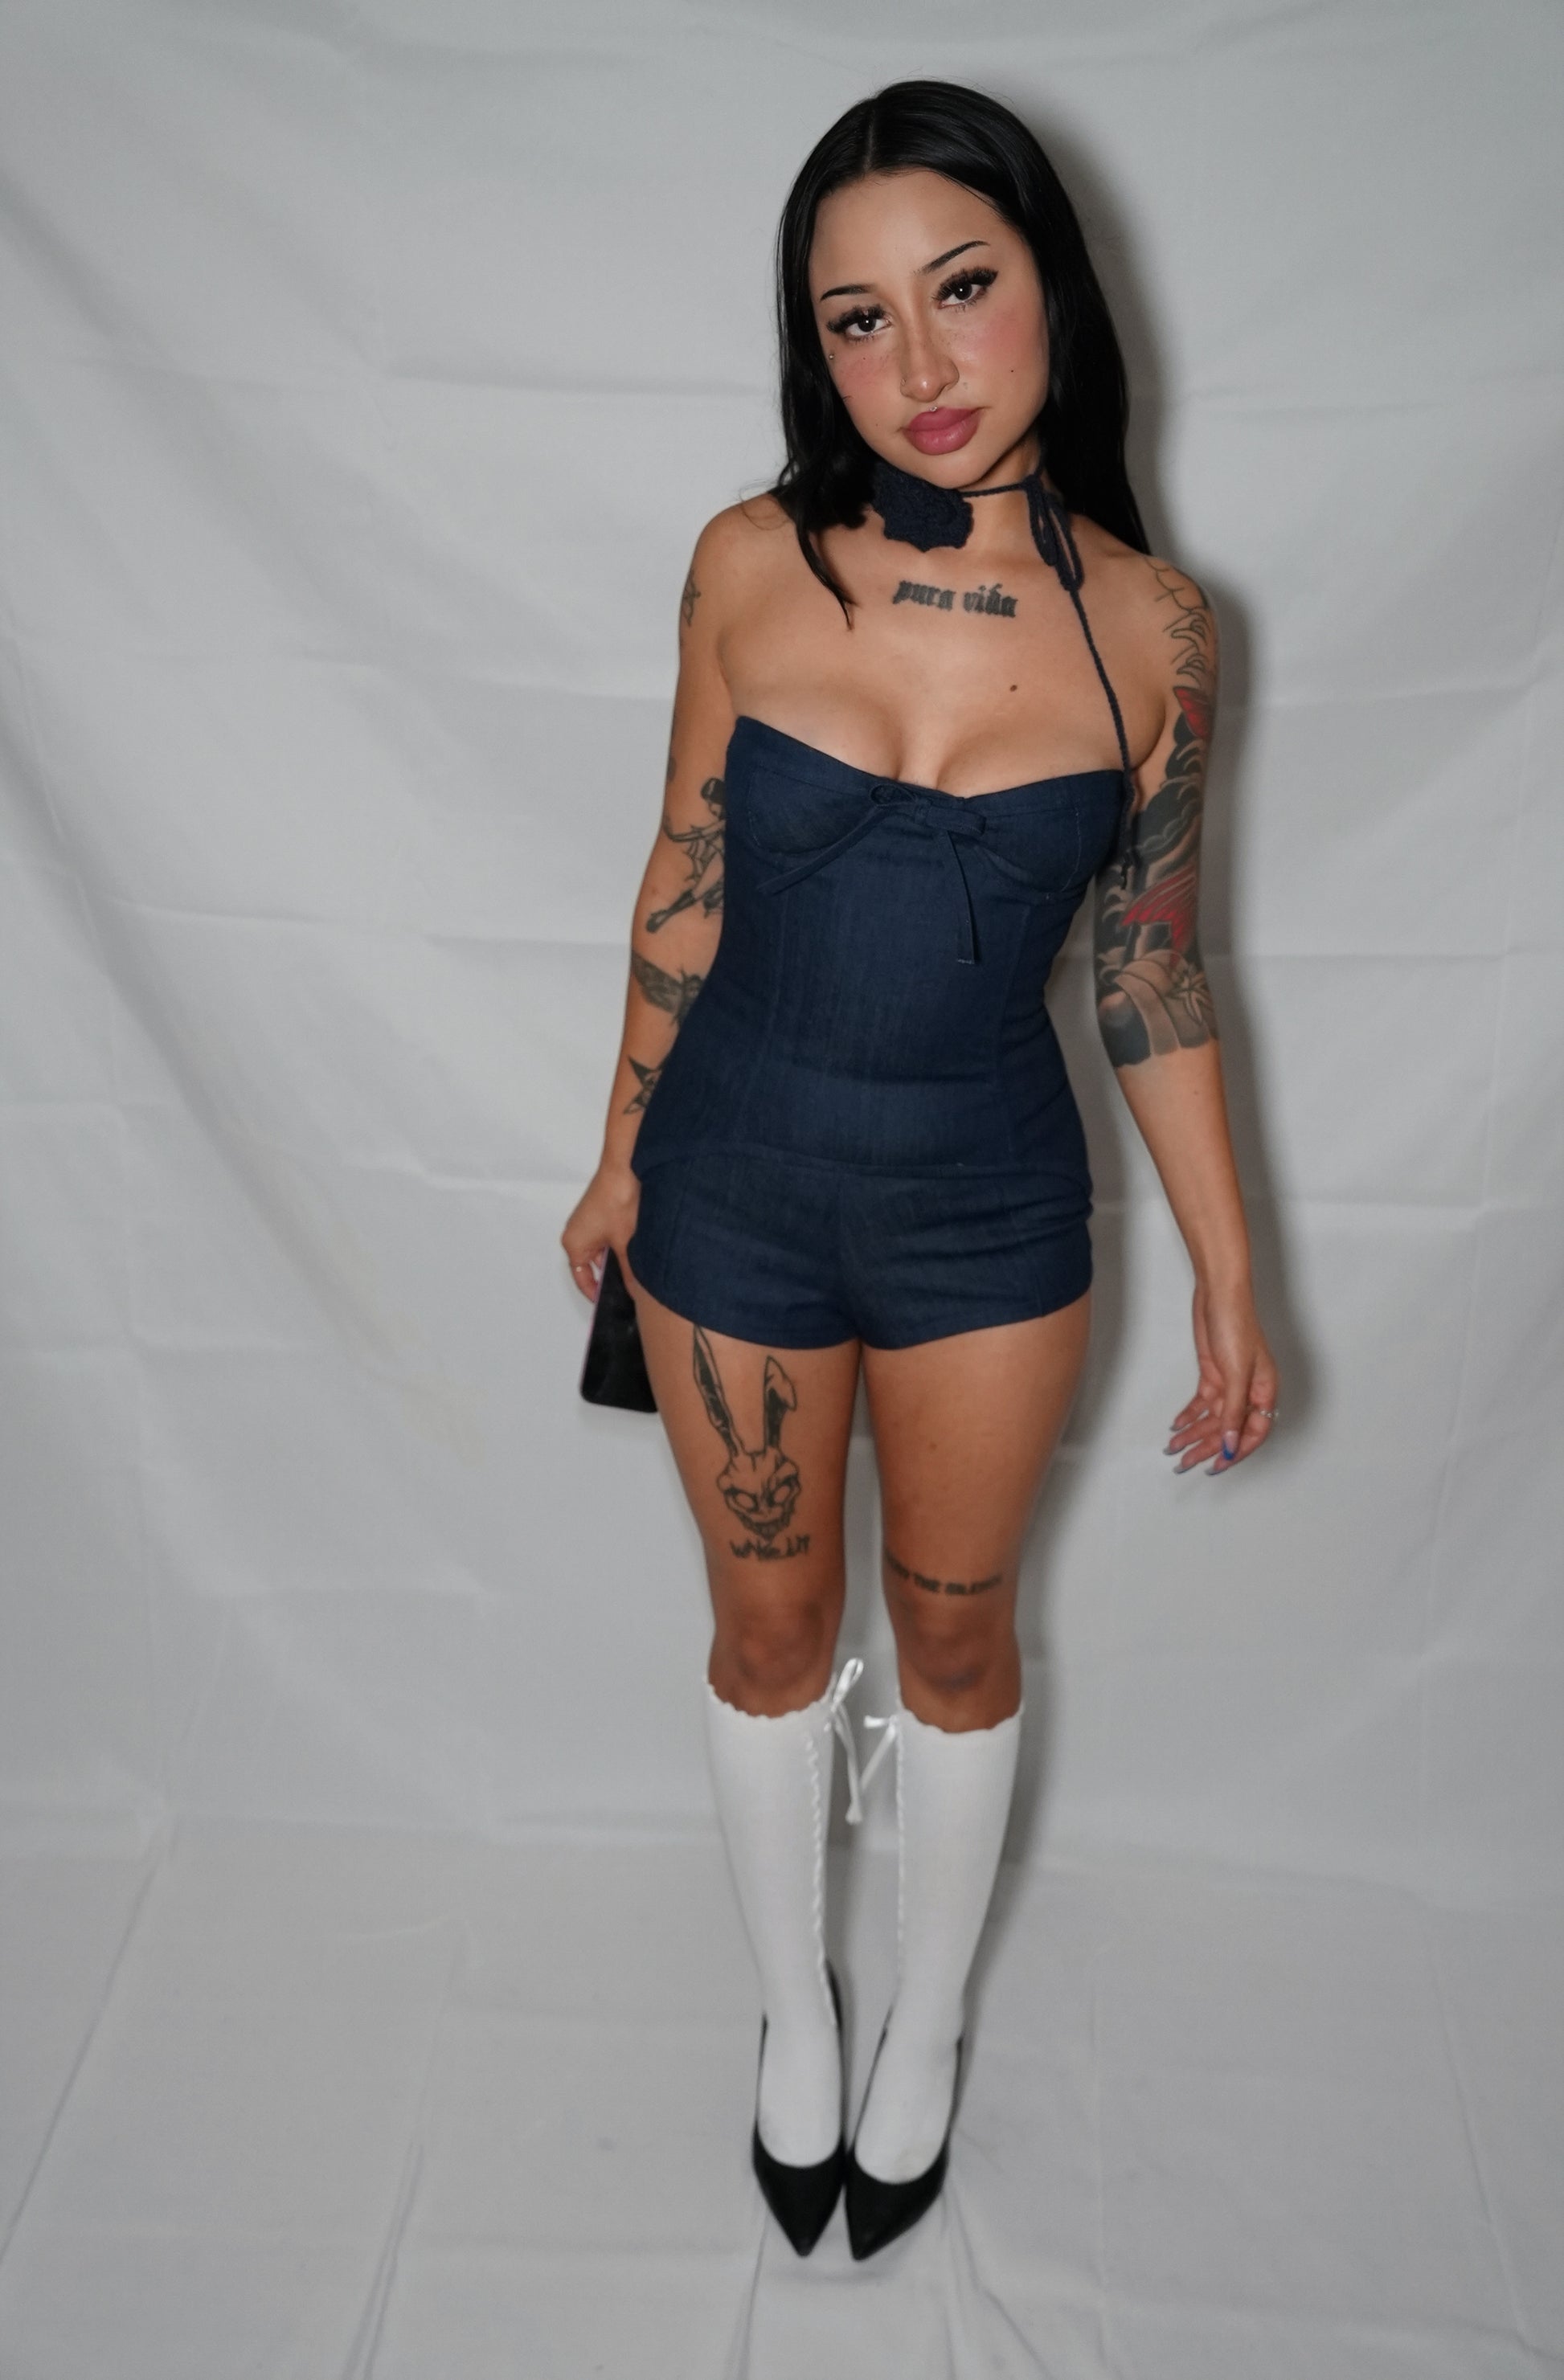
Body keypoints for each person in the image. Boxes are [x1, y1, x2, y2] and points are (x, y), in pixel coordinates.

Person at [562, 78, 1279, 2262]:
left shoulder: (1158, 630)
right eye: (856, 319)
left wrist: (1232, 1274)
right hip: (731, 1190)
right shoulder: (747, 560)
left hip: (986, 1216)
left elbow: (1151, 964)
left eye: (961, 288)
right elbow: (681, 873)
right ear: (814, 348)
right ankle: (796, 2015)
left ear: (1055, 281)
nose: (920, 363)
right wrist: (614, 1155)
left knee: (955, 1646)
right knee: (769, 1629)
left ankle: (929, 2024)